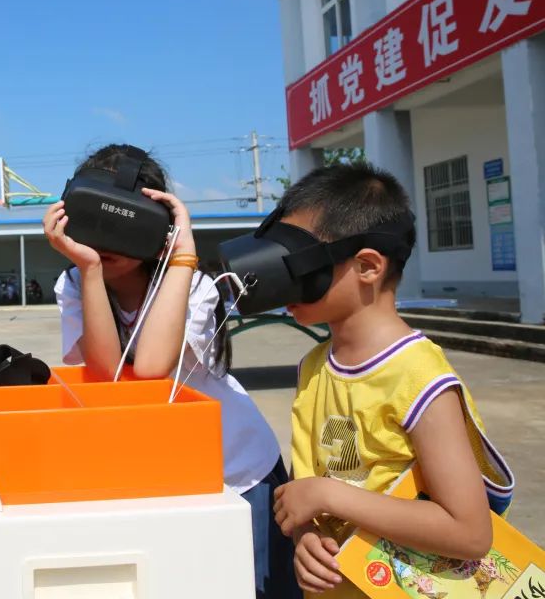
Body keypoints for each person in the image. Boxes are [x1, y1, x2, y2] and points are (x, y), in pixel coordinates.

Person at [44, 144, 298, 599]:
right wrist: (90, 269)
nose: (109, 240)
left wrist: (182, 255)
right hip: (162, 473)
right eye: (97, 219)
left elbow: (150, 370)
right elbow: (108, 377)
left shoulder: (191, 283)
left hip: (235, 470)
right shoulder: (76, 282)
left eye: (129, 222)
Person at [270, 163, 514, 597]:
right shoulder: (313, 366)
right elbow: (306, 484)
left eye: (299, 261)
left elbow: (470, 532)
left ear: (368, 266)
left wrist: (328, 496)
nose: (283, 278)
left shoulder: (419, 376)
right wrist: (305, 534)